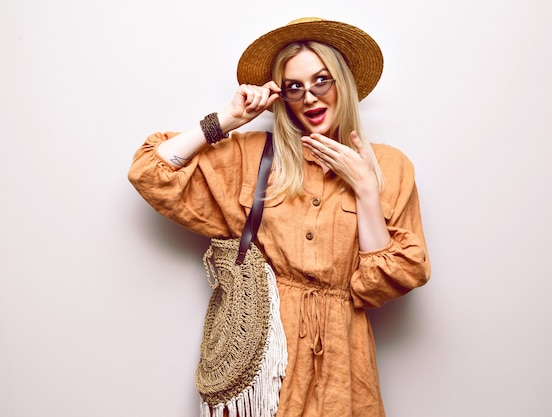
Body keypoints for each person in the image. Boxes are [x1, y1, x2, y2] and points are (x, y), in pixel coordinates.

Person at [128, 17, 431, 417]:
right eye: (295, 87)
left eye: (322, 80)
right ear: (283, 97)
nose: (310, 97)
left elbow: (380, 286)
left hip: (344, 363)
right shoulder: (256, 155)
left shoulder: (390, 167)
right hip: (264, 357)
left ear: (343, 82)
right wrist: (227, 120)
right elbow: (151, 171)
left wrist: (366, 191)